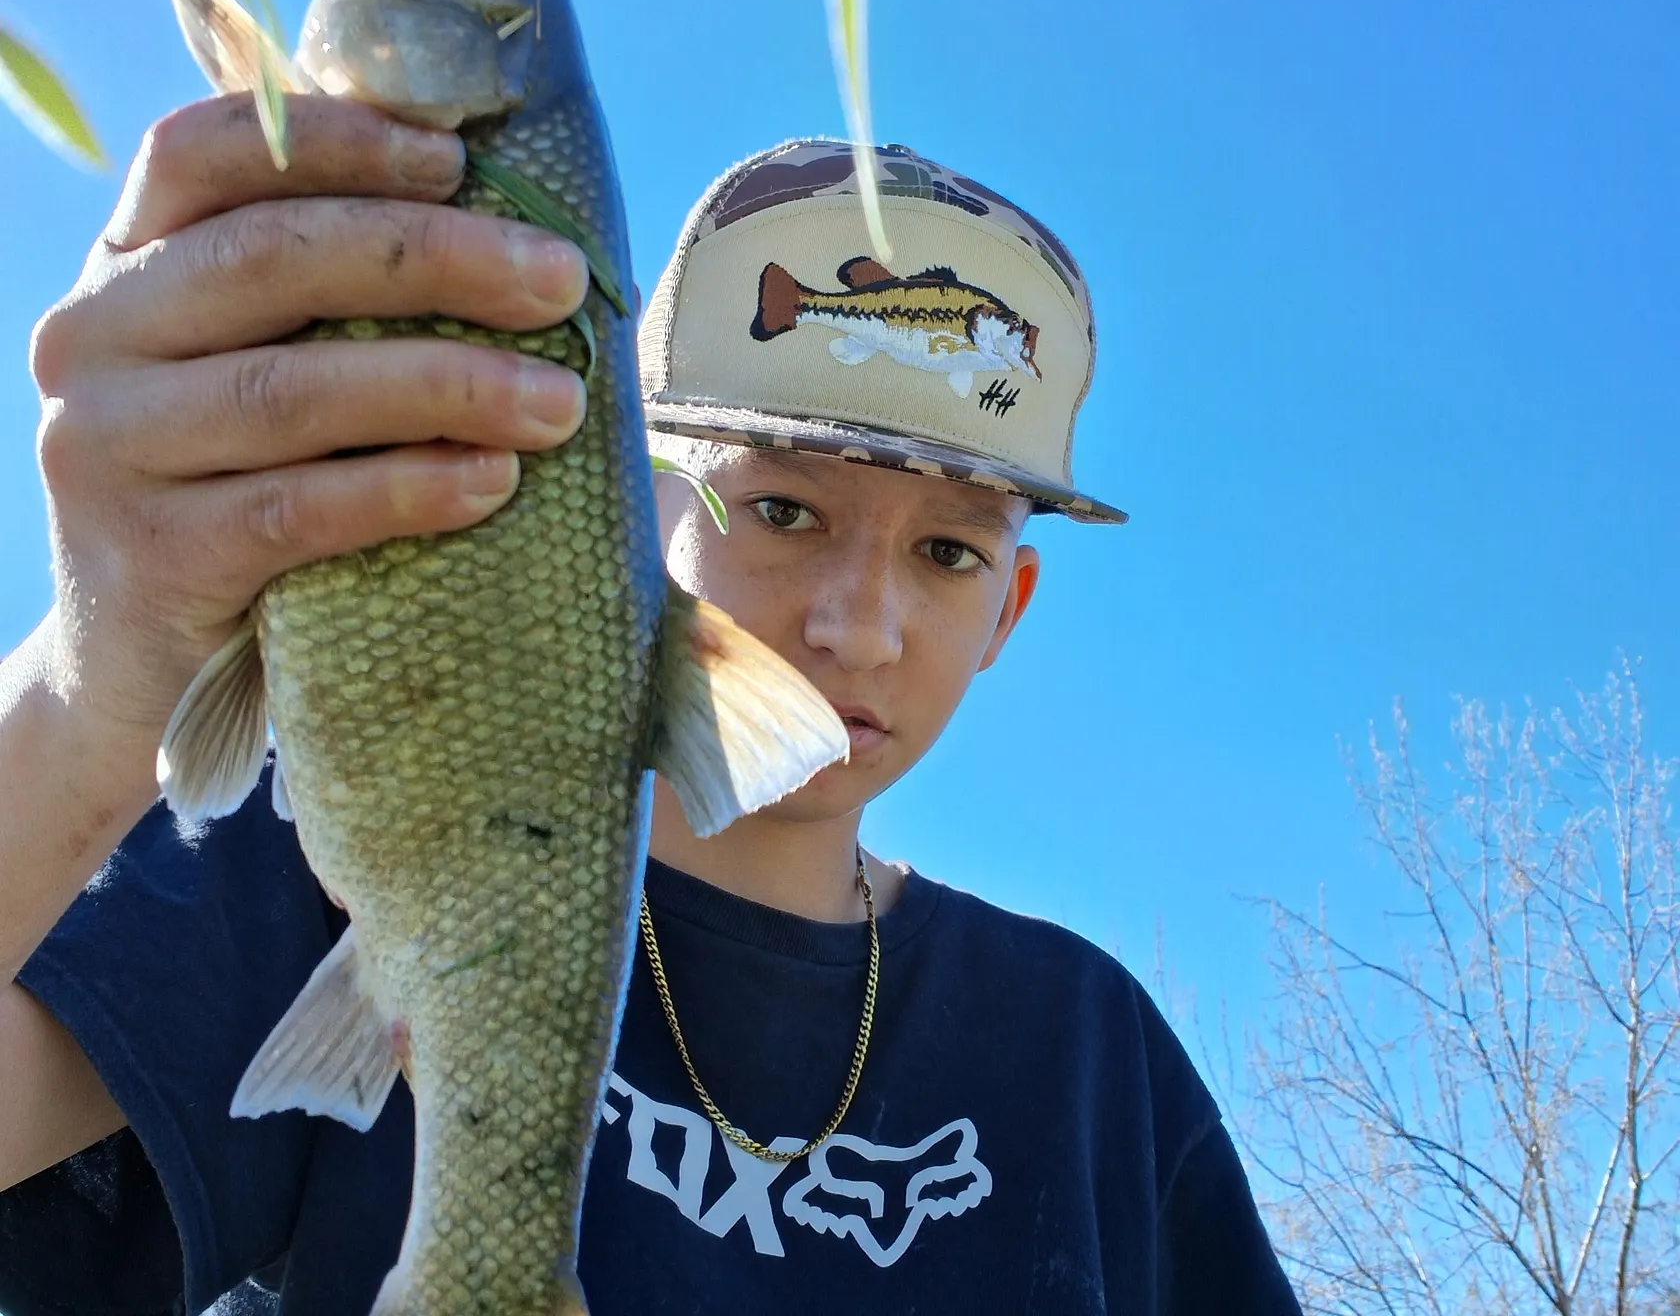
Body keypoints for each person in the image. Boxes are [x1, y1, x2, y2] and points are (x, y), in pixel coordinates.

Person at [0, 108, 1300, 1315]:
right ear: (631, 505)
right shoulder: (354, 852)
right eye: (785, 510)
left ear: (1009, 609)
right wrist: (93, 677)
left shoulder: (1087, 1059)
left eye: (947, 554)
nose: (862, 623)